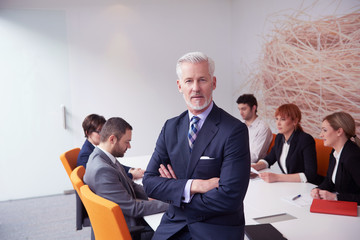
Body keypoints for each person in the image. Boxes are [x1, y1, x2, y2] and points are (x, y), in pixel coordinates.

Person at [142, 52, 250, 240]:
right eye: (189, 81)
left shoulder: (234, 130)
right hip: (174, 225)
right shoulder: (170, 127)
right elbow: (150, 183)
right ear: (179, 86)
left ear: (214, 83)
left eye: (202, 80)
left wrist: (175, 191)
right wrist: (195, 185)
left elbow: (230, 198)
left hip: (216, 228)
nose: (196, 88)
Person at [83, 117, 169, 239]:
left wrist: (161, 193)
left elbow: (131, 185)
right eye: (126, 141)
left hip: (123, 222)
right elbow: (134, 208)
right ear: (112, 139)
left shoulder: (103, 157)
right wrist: (171, 204)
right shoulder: (102, 170)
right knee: (176, 230)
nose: (129, 146)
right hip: (124, 230)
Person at [252, 103, 323, 184]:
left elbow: (310, 174)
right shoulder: (279, 138)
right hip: (290, 185)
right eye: (276, 119)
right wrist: (256, 166)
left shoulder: (305, 139)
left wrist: (277, 177)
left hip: (308, 185)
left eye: (283, 119)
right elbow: (269, 159)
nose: (278, 123)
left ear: (295, 121)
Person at [311, 112, 360, 205]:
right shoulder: (335, 152)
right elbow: (329, 181)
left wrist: (335, 197)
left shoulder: (353, 157)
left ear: (339, 132)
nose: (321, 135)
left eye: (324, 130)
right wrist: (318, 189)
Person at [77, 114, 144, 180]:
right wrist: (132, 175)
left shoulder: (97, 147)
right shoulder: (85, 155)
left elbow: (114, 165)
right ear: (88, 133)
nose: (104, 134)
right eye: (99, 131)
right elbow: (103, 176)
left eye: (104, 131)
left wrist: (131, 170)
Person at [236, 94, 273, 163]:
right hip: (237, 162)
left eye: (243, 109)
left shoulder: (263, 128)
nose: (240, 113)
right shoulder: (239, 125)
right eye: (239, 109)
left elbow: (254, 157)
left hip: (253, 167)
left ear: (253, 108)